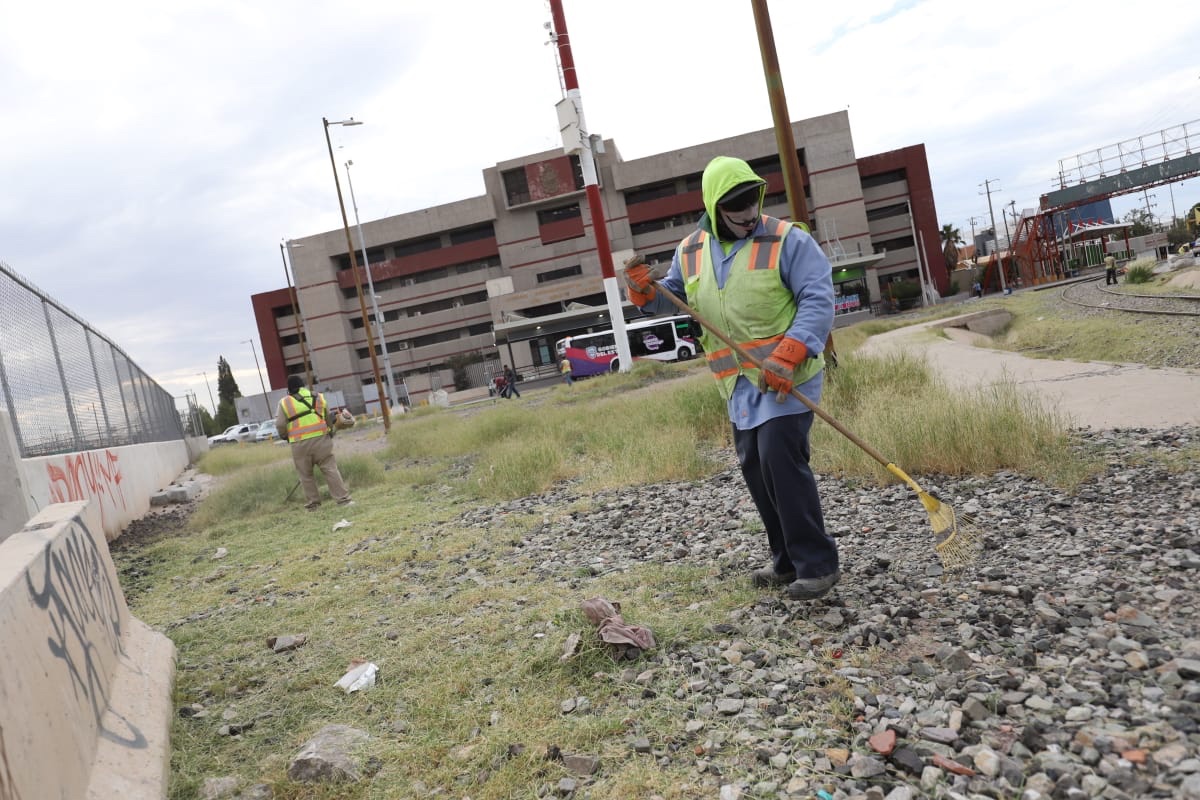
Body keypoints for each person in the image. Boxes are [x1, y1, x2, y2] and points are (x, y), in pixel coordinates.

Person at [623, 155, 839, 601]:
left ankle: (817, 564)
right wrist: (643, 291)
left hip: (787, 378)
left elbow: (817, 298)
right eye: (735, 210)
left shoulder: (787, 240)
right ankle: (785, 560)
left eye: (751, 205)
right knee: (757, 469)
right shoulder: (691, 251)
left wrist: (790, 352)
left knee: (781, 461)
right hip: (738, 384)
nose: (746, 217)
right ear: (713, 206)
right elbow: (674, 301)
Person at [275, 375, 352, 510]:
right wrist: (329, 430)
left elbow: (280, 424)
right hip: (322, 440)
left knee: (305, 475)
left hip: (299, 444)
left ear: (289, 389)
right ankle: (343, 500)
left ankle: (314, 505)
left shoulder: (284, 402)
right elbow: (328, 418)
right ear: (302, 386)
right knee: (330, 469)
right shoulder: (319, 397)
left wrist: (285, 436)